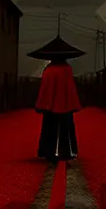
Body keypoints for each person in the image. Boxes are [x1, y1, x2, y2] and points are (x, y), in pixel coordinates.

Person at [29, 34, 84, 162]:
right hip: (66, 105)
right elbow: (70, 89)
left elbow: (45, 90)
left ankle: (48, 151)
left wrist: (42, 104)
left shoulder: (49, 70)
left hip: (50, 105)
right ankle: (67, 151)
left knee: (49, 127)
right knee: (66, 127)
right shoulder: (67, 69)